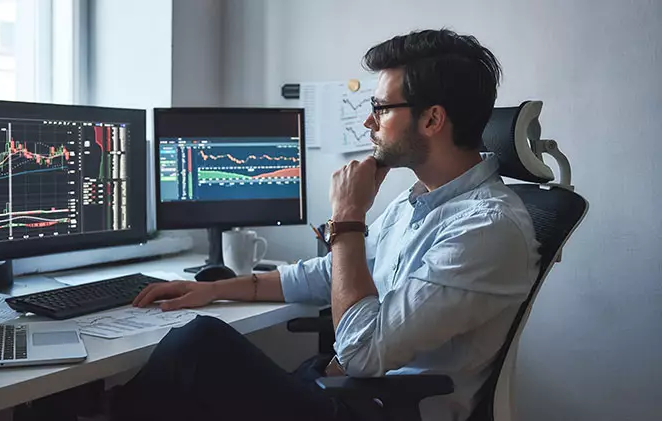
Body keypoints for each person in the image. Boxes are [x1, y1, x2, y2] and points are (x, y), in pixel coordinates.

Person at [112, 28, 540, 421]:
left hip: (374, 408)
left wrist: (348, 219)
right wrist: (213, 289)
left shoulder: (486, 228)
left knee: (199, 348)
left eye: (381, 108)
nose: (369, 122)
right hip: (345, 389)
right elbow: (325, 274)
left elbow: (360, 353)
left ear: (431, 120)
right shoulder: (420, 202)